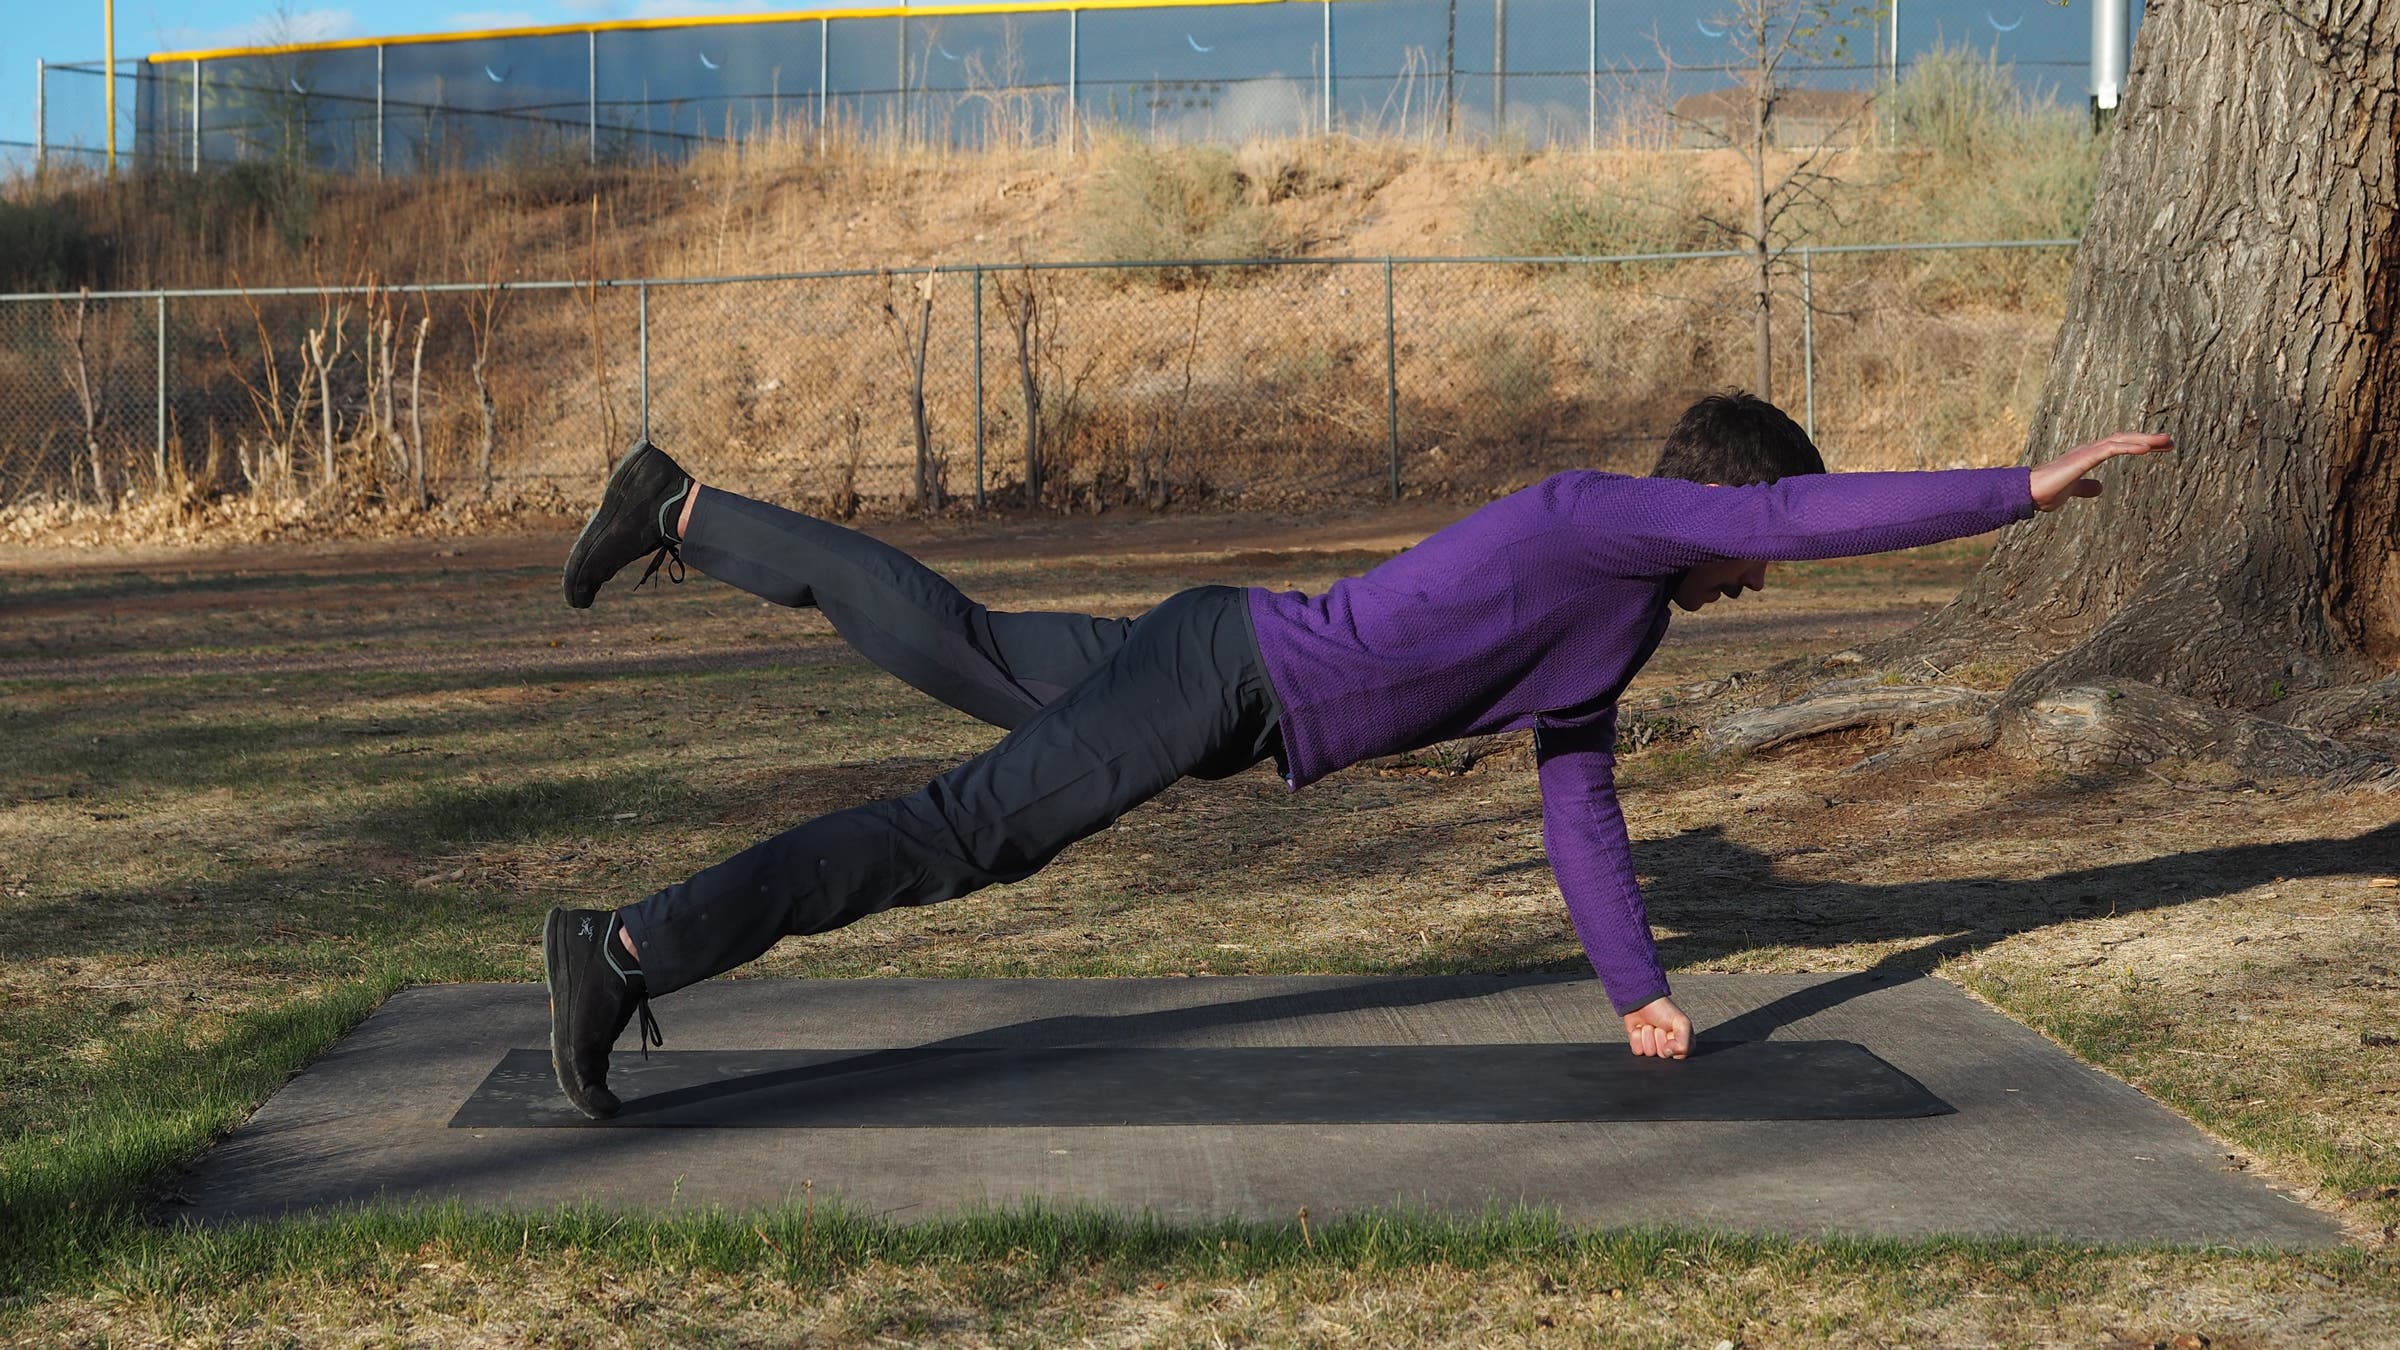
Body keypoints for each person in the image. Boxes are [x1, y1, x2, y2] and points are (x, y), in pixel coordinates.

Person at [542, 392, 2171, 1119]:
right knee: (955, 834)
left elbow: (1579, 789)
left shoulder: (1622, 621)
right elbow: (1801, 515)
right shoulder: (1604, 517)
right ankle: (622, 948)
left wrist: (1635, 983)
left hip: (1218, 661)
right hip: (1220, 681)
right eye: (1749, 553)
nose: (1756, 582)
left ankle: (679, 506)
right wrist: (2014, 489)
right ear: (1714, 508)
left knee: (952, 639)